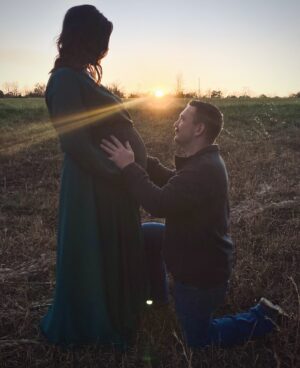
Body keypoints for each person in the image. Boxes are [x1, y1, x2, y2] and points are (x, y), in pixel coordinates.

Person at [100, 100, 285, 348]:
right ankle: (159, 297)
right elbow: (172, 182)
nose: (176, 123)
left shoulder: (204, 170)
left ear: (198, 129)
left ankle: (263, 318)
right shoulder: (202, 163)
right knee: (147, 235)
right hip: (192, 245)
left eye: (183, 119)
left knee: (199, 340)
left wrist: (129, 167)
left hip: (200, 274)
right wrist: (141, 159)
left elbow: (159, 203)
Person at [40, 5, 149, 348]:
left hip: (110, 182)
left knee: (113, 247)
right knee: (95, 250)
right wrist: (116, 175)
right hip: (93, 184)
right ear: (85, 37)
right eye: (103, 39)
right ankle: (94, 321)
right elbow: (73, 141)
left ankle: (119, 309)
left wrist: (129, 171)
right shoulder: (64, 80)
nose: (106, 47)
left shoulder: (81, 76)